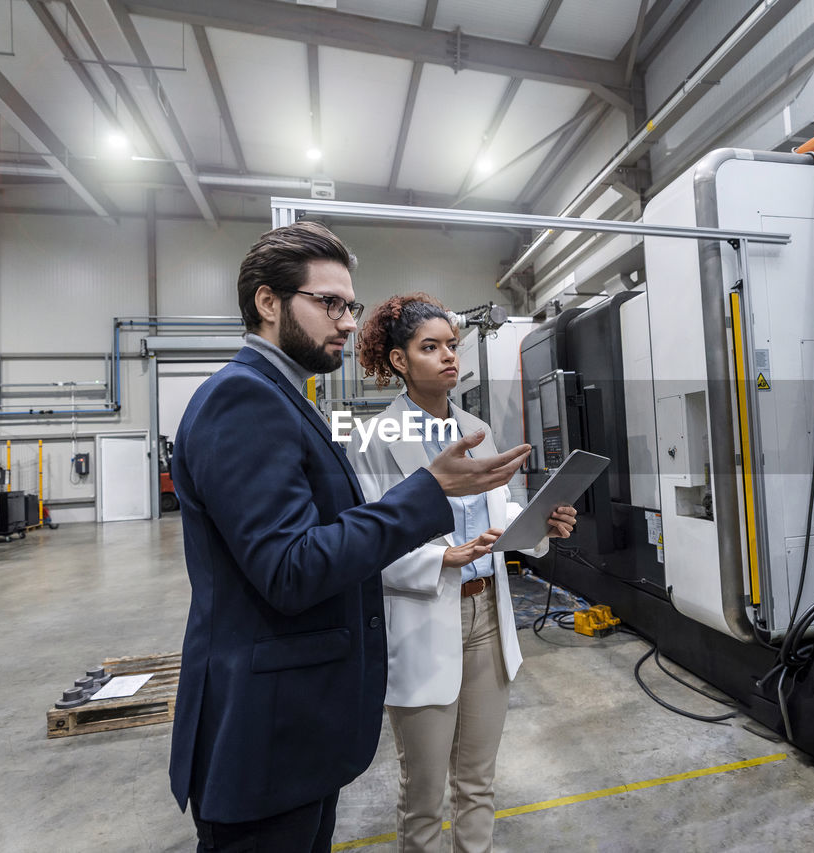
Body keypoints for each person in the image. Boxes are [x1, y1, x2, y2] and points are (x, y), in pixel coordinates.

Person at [169, 224, 531, 853]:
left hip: (301, 722)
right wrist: (428, 495)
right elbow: (289, 567)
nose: (344, 321)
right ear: (267, 302)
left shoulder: (288, 398)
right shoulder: (243, 399)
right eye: (329, 303)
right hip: (268, 728)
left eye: (350, 306)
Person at [348, 293, 577, 853]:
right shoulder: (374, 440)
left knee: (477, 782)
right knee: (423, 794)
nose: (449, 356)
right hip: (426, 614)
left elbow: (501, 514)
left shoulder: (475, 427)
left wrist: (542, 524)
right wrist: (439, 558)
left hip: (488, 614)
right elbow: (360, 542)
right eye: (431, 347)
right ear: (399, 361)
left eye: (452, 345)